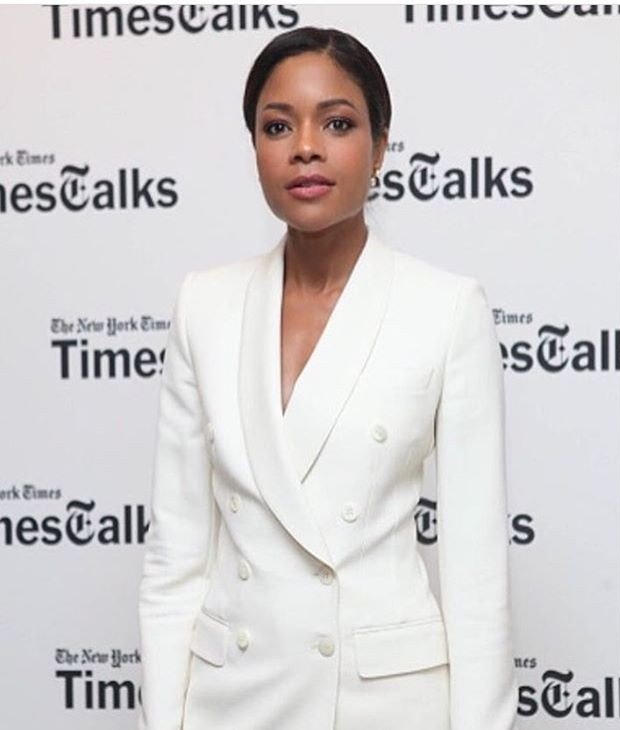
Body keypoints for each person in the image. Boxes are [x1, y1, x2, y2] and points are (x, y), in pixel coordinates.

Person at [138, 25, 519, 730]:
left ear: (379, 147)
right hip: (232, 697)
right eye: (277, 126)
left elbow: (476, 573)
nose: (305, 147)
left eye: (337, 123)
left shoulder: (445, 308)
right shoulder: (204, 305)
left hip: (385, 703)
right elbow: (175, 559)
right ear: (254, 148)